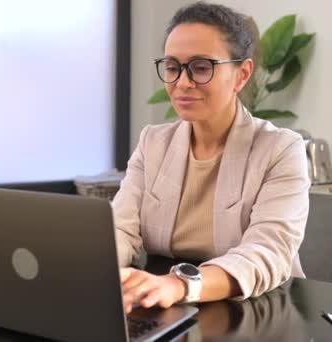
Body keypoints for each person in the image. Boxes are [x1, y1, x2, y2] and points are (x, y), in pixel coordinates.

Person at [113, 2, 309, 314]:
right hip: (165, 304)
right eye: (173, 67)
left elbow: (267, 252)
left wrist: (179, 284)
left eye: (201, 67)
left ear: (242, 74)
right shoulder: (153, 142)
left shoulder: (281, 149)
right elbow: (121, 229)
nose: (182, 82)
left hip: (253, 310)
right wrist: (92, 266)